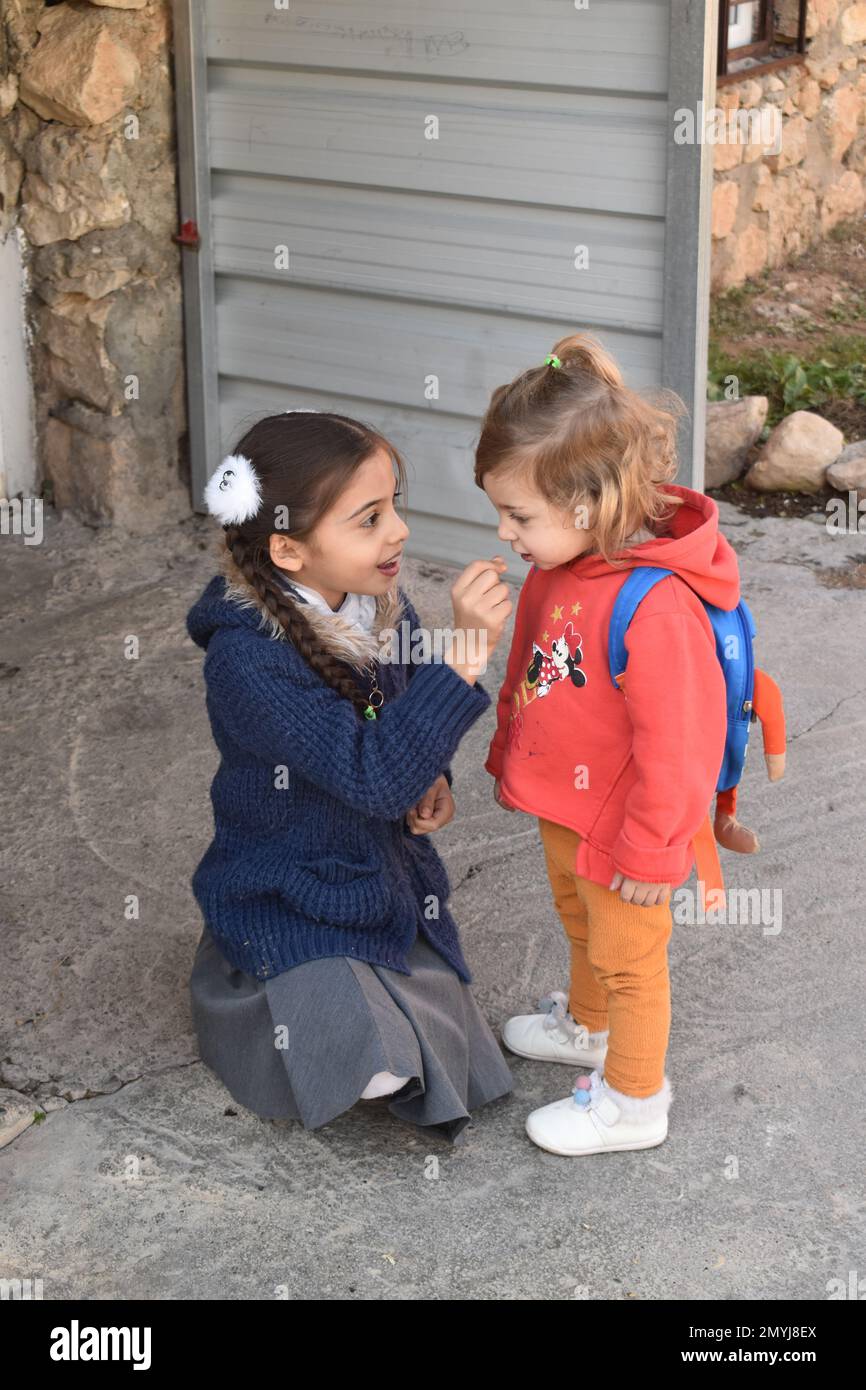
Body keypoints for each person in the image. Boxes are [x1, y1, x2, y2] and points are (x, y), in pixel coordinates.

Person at [185, 410, 514, 1144]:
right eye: (369, 519)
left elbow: (402, 736)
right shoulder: (249, 660)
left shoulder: (382, 609)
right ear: (289, 551)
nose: (398, 530)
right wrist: (463, 655)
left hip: (375, 867)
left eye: (394, 504)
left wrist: (437, 781)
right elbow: (371, 776)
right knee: (364, 1047)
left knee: (431, 1001)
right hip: (286, 880)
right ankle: (250, 978)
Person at [477, 333, 738, 1156]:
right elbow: (538, 677)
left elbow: (682, 747)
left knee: (630, 959)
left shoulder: (655, 607)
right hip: (567, 802)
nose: (504, 531)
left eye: (519, 514)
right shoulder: (564, 567)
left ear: (587, 502)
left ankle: (633, 1099)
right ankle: (589, 1029)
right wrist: (511, 760)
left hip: (629, 828)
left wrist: (656, 849)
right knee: (579, 926)